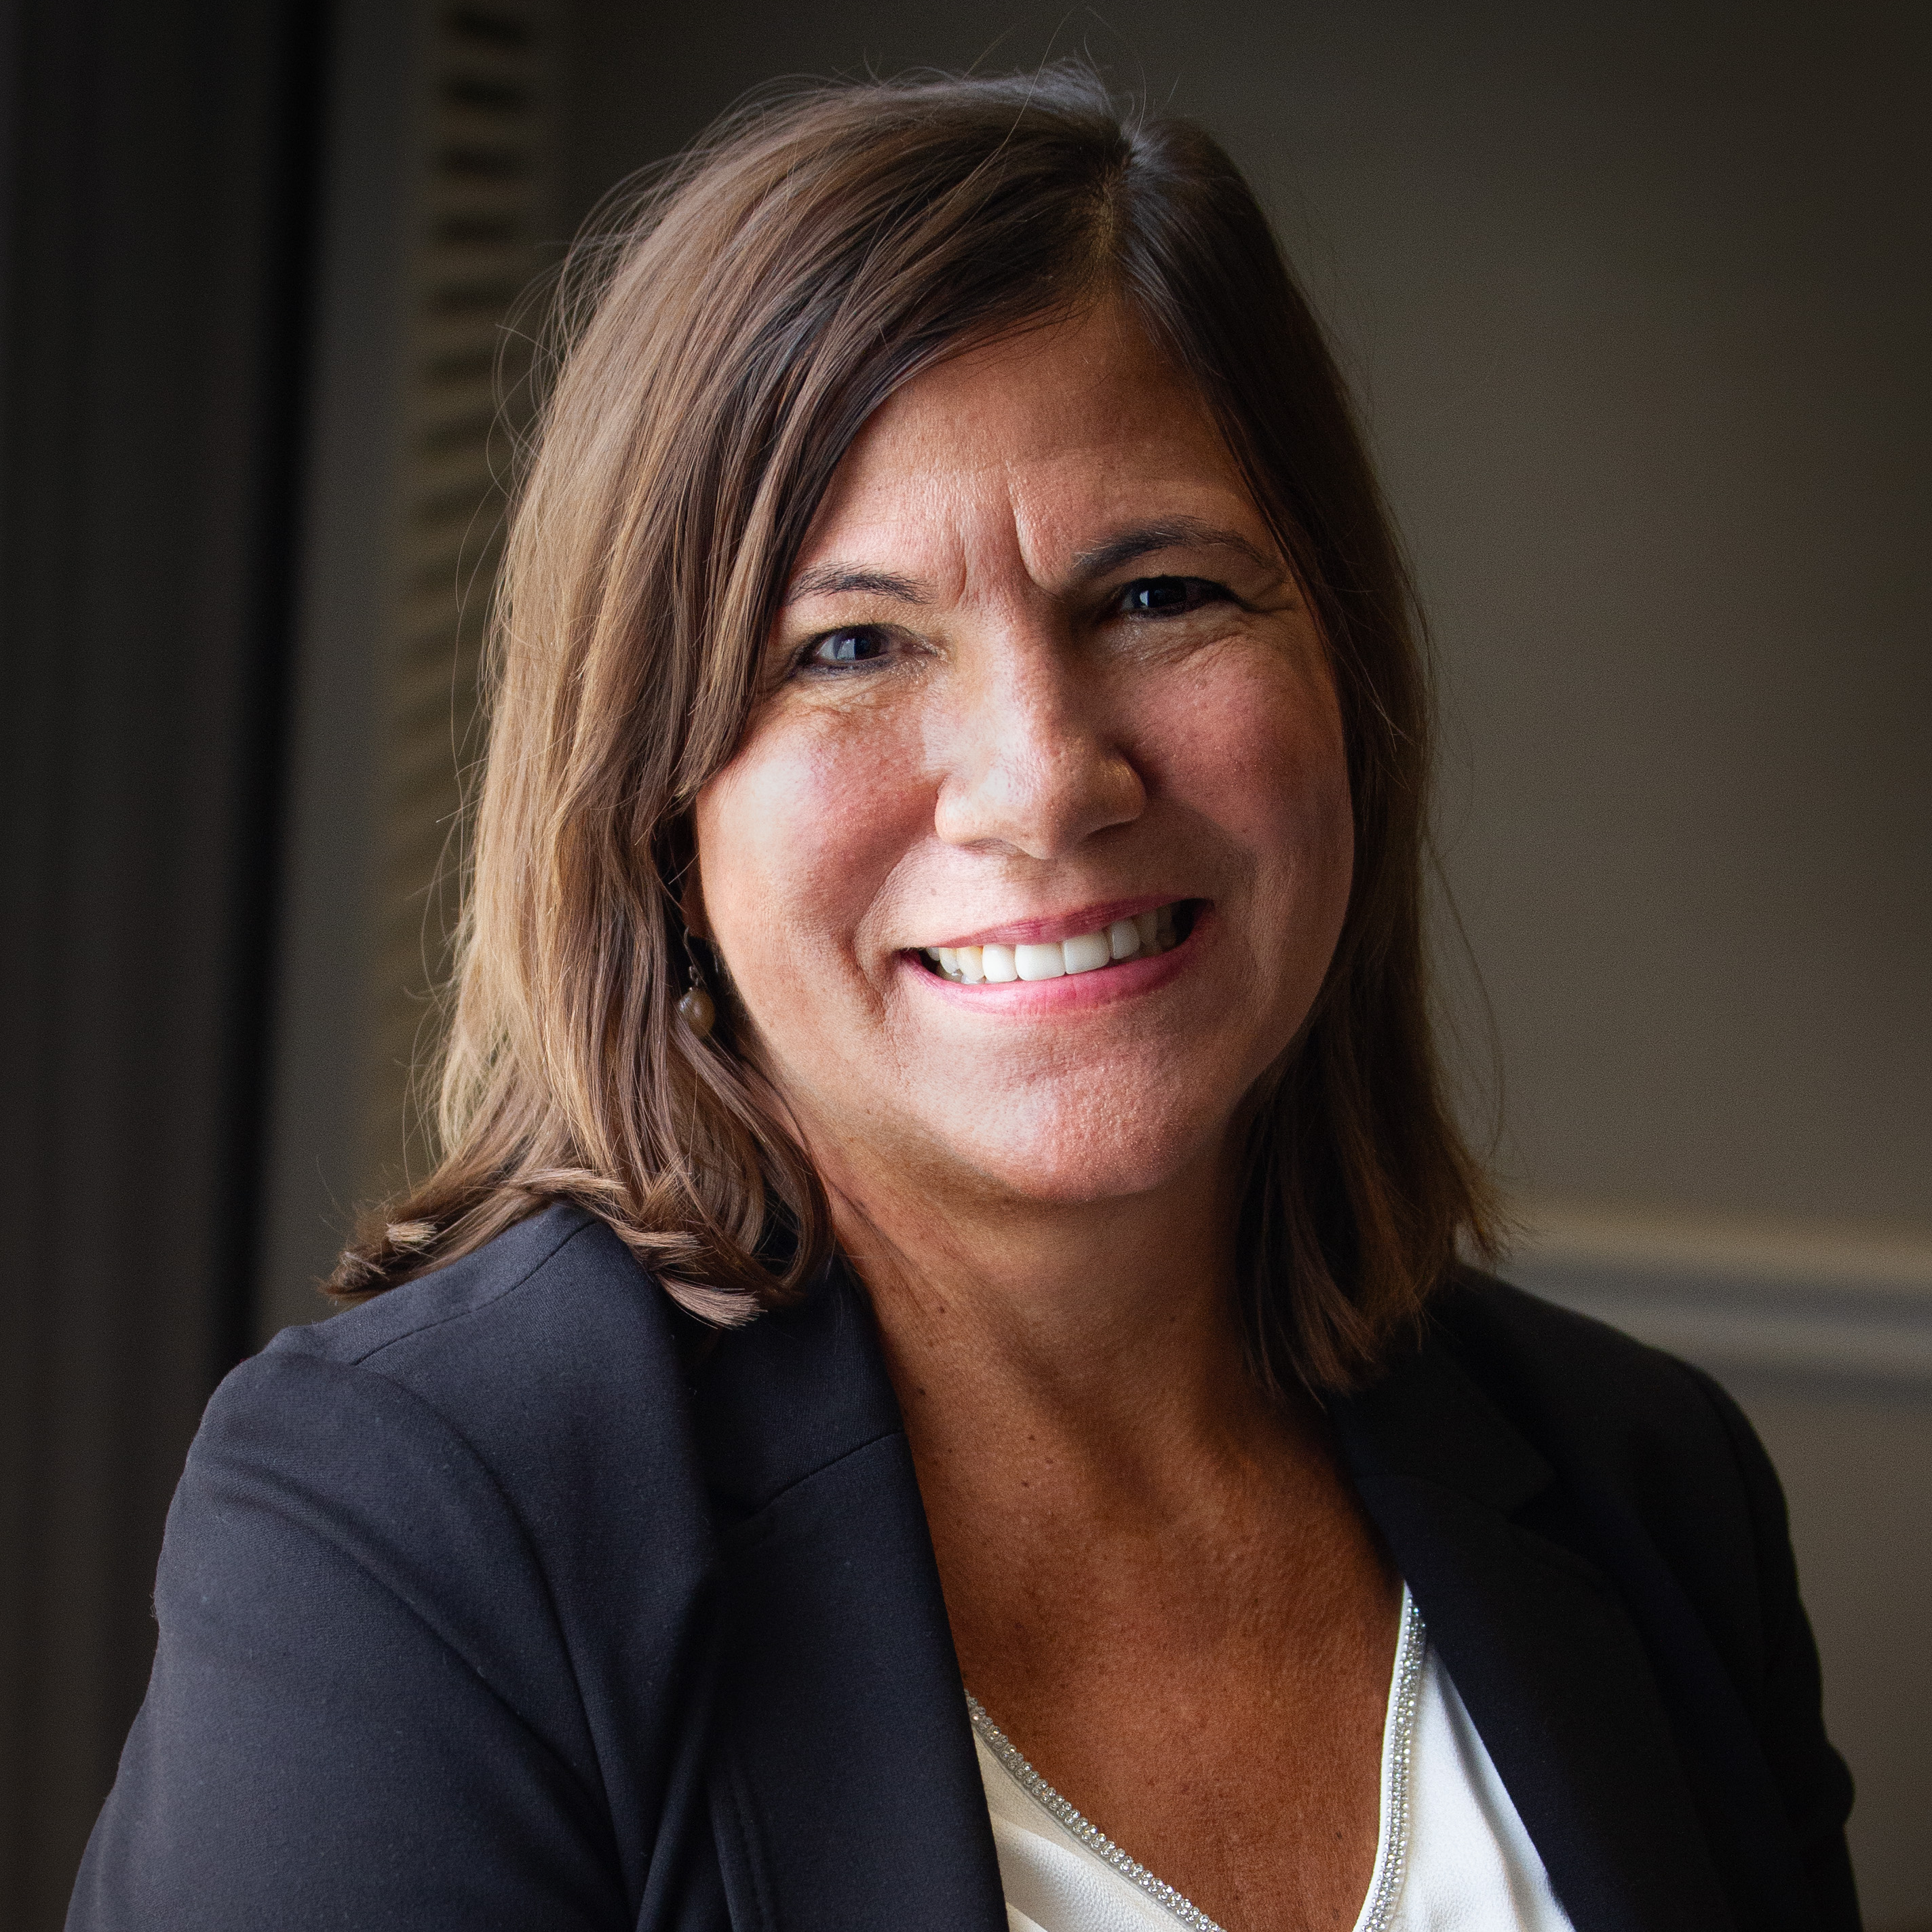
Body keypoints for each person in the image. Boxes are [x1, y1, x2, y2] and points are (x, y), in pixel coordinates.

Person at [68, 66, 1856, 1932]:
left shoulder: (1653, 1490)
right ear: (657, 808)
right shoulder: (421, 1528)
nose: (1045, 779)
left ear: (1349, 675)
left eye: (1160, 596)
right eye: (849, 647)